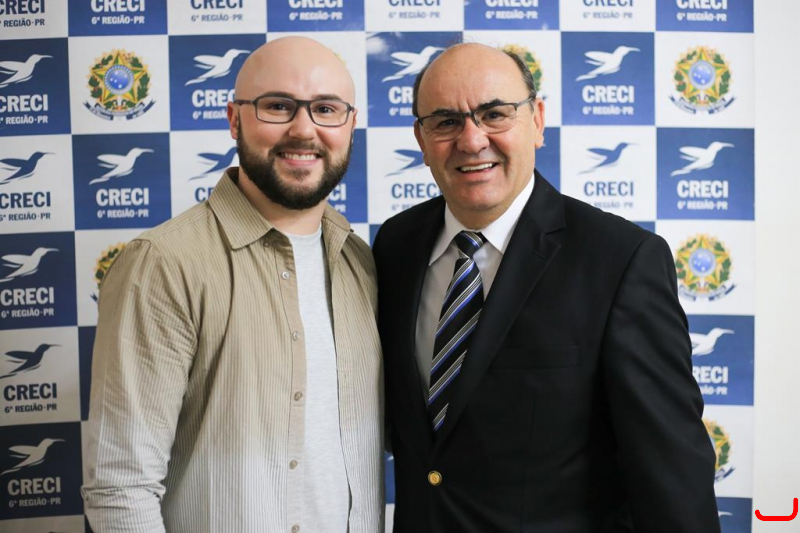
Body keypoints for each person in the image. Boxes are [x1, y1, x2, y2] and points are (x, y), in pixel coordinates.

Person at [372, 43, 720, 532]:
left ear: (536, 120)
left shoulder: (620, 260)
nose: (472, 140)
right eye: (446, 121)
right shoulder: (395, 245)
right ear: (421, 139)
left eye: (495, 114)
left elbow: (672, 473)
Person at [82, 37, 384, 533]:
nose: (303, 129)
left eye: (326, 109)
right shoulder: (163, 264)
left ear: (350, 126)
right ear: (234, 119)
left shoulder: (361, 262)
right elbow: (120, 488)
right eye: (278, 106)